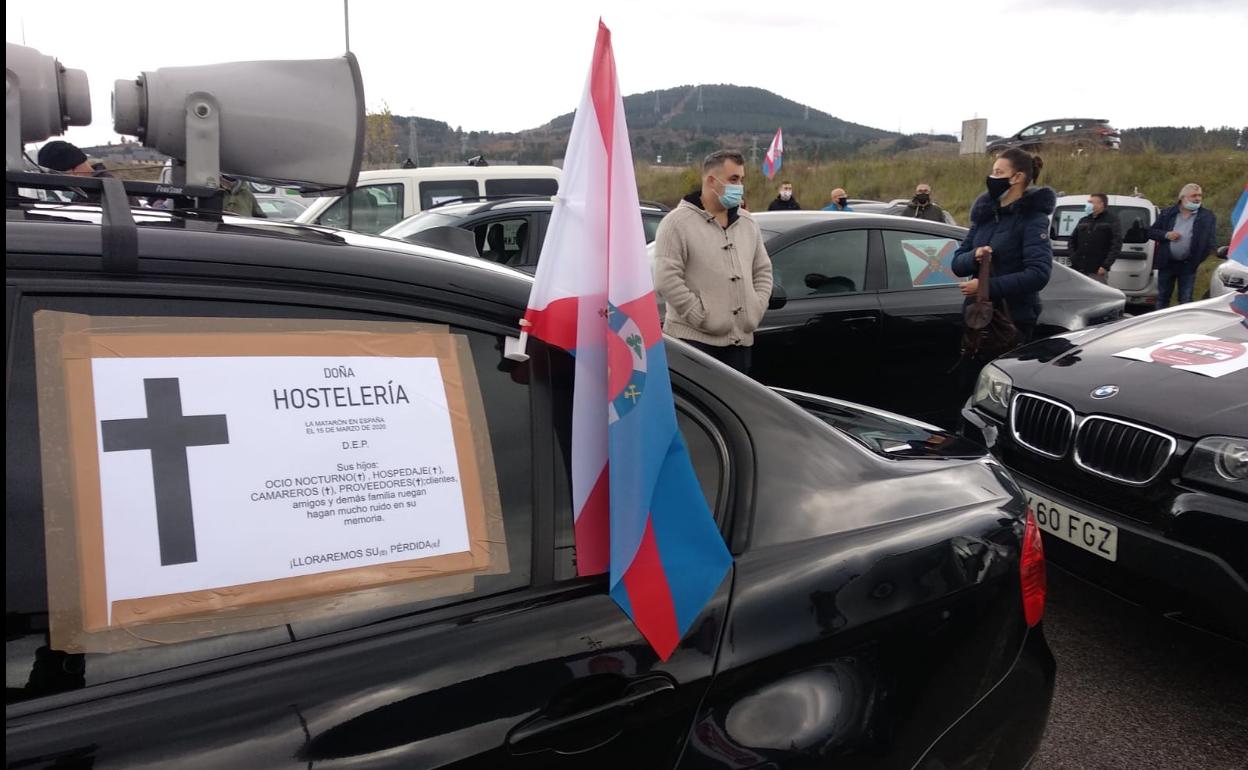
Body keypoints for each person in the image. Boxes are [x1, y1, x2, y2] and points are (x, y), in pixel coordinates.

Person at [654, 150, 774, 374]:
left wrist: (756, 308)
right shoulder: (676, 223)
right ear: (711, 180)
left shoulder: (747, 223)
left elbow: (763, 270)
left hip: (740, 344)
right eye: (733, 179)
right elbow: (666, 278)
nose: (740, 187)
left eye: (741, 179)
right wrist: (700, 315)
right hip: (693, 345)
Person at [950, 148, 1054, 390]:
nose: (992, 178)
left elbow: (1039, 274)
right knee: (970, 386)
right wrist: (974, 256)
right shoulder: (985, 216)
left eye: (998, 173)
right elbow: (956, 263)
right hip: (977, 318)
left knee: (998, 391)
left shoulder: (1033, 219)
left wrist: (985, 287)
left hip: (1011, 321)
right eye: (992, 172)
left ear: (1017, 177)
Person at [1148, 183, 1216, 308]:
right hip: (1167, 263)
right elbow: (1151, 232)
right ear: (1183, 197)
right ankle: (1160, 320)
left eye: (1200, 195)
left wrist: (1197, 260)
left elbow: (1210, 241)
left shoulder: (1207, 216)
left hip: (1188, 265)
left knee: (1186, 300)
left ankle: (1183, 321)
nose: (1198, 198)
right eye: (1194, 195)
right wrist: (1166, 234)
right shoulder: (1168, 213)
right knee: (1162, 298)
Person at [1069, 193, 1122, 281]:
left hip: (1097, 270)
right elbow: (1072, 240)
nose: (1088, 204)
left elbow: (1116, 245)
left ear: (1101, 204)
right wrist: (1073, 258)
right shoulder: (1084, 220)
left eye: (1091, 202)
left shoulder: (1111, 220)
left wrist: (1105, 266)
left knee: (1096, 290)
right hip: (1079, 268)